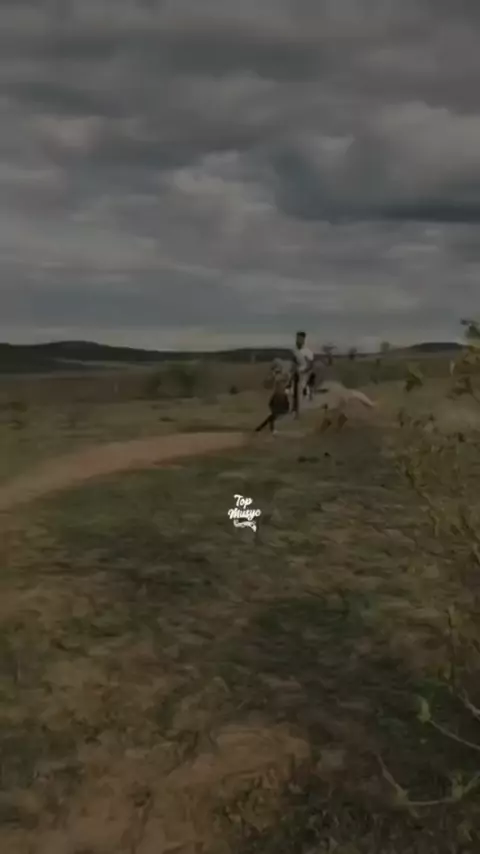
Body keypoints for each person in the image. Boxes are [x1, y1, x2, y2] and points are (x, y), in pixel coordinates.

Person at [254, 362, 290, 435]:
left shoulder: (283, 375)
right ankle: (268, 428)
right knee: (274, 414)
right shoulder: (275, 377)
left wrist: (274, 375)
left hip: (281, 396)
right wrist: (272, 375)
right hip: (278, 396)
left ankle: (262, 427)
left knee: (278, 413)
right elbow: (267, 385)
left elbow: (286, 378)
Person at [291, 331, 314, 418]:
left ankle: (298, 412)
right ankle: (294, 409)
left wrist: (304, 372)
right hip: (295, 374)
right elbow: (293, 363)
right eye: (297, 339)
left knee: (299, 393)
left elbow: (310, 365)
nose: (298, 341)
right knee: (293, 392)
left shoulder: (307, 352)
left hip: (303, 375)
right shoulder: (294, 351)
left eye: (300, 339)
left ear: (303, 340)